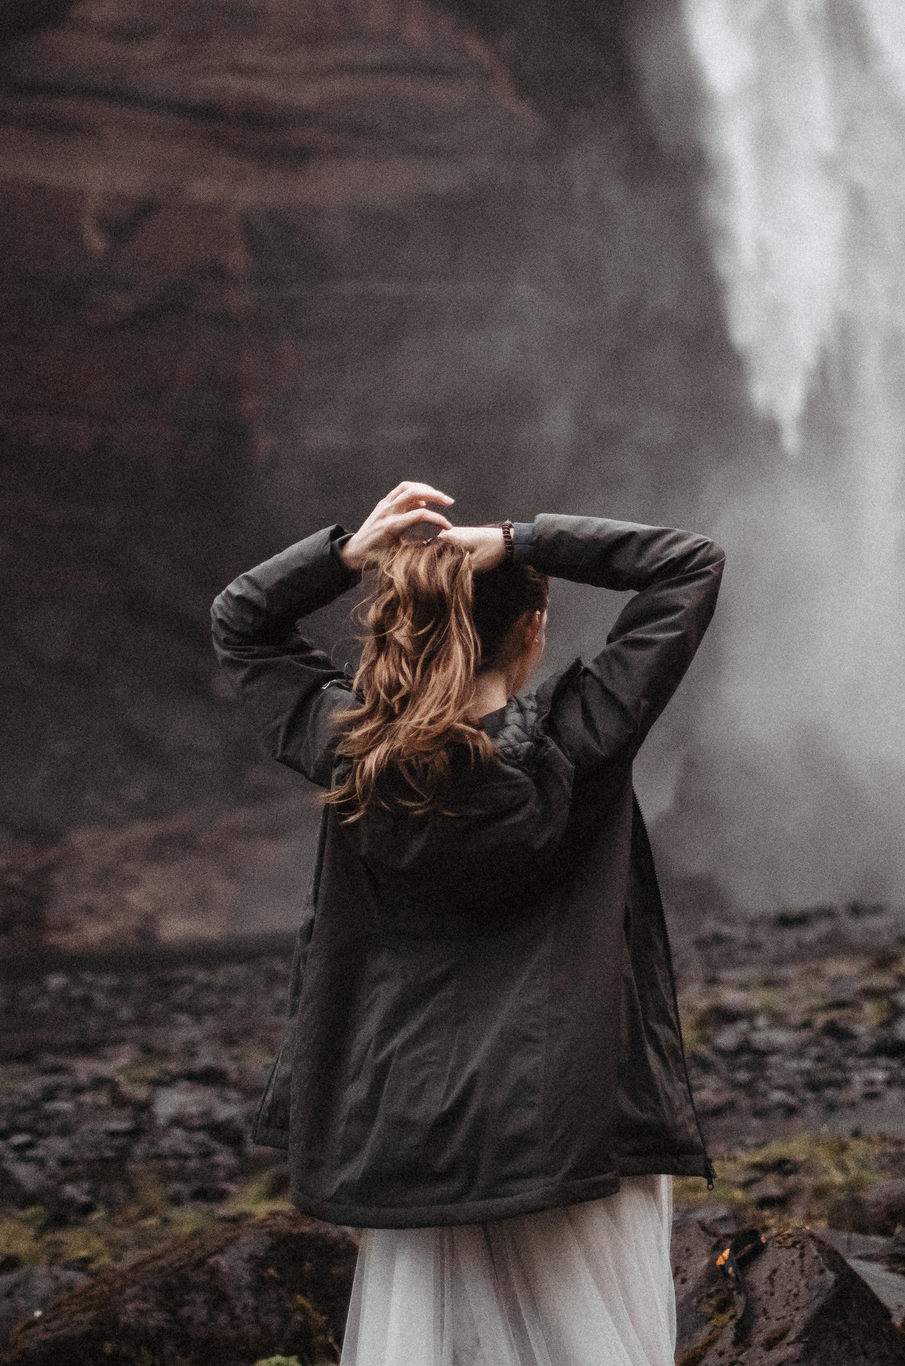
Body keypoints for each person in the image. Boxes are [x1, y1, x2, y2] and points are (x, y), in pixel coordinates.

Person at [211, 480, 724, 1366]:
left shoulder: (357, 750)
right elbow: (688, 565)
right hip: (563, 1121)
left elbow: (240, 621)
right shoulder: (583, 734)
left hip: (410, 1127)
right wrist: (525, 541)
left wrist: (349, 552)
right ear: (533, 633)